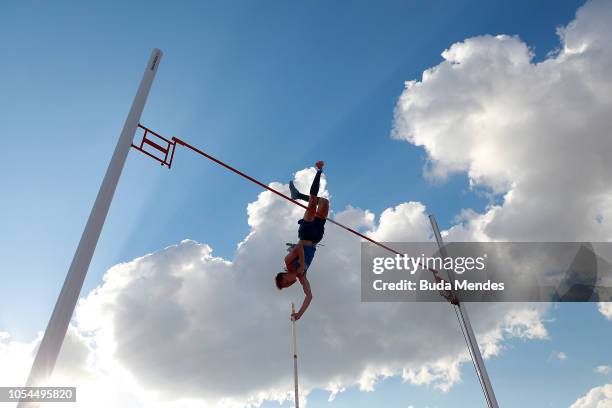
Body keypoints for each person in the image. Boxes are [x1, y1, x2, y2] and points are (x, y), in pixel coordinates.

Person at [275, 161, 329, 321]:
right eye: (286, 286)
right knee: (324, 203)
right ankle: (298, 196)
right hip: (317, 236)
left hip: (305, 233)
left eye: (284, 283)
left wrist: (302, 264)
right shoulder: (302, 277)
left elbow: (298, 248)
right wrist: (299, 314)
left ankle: (319, 171)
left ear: (283, 276)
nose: (288, 285)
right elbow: (309, 296)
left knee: (313, 202)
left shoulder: (288, 262)